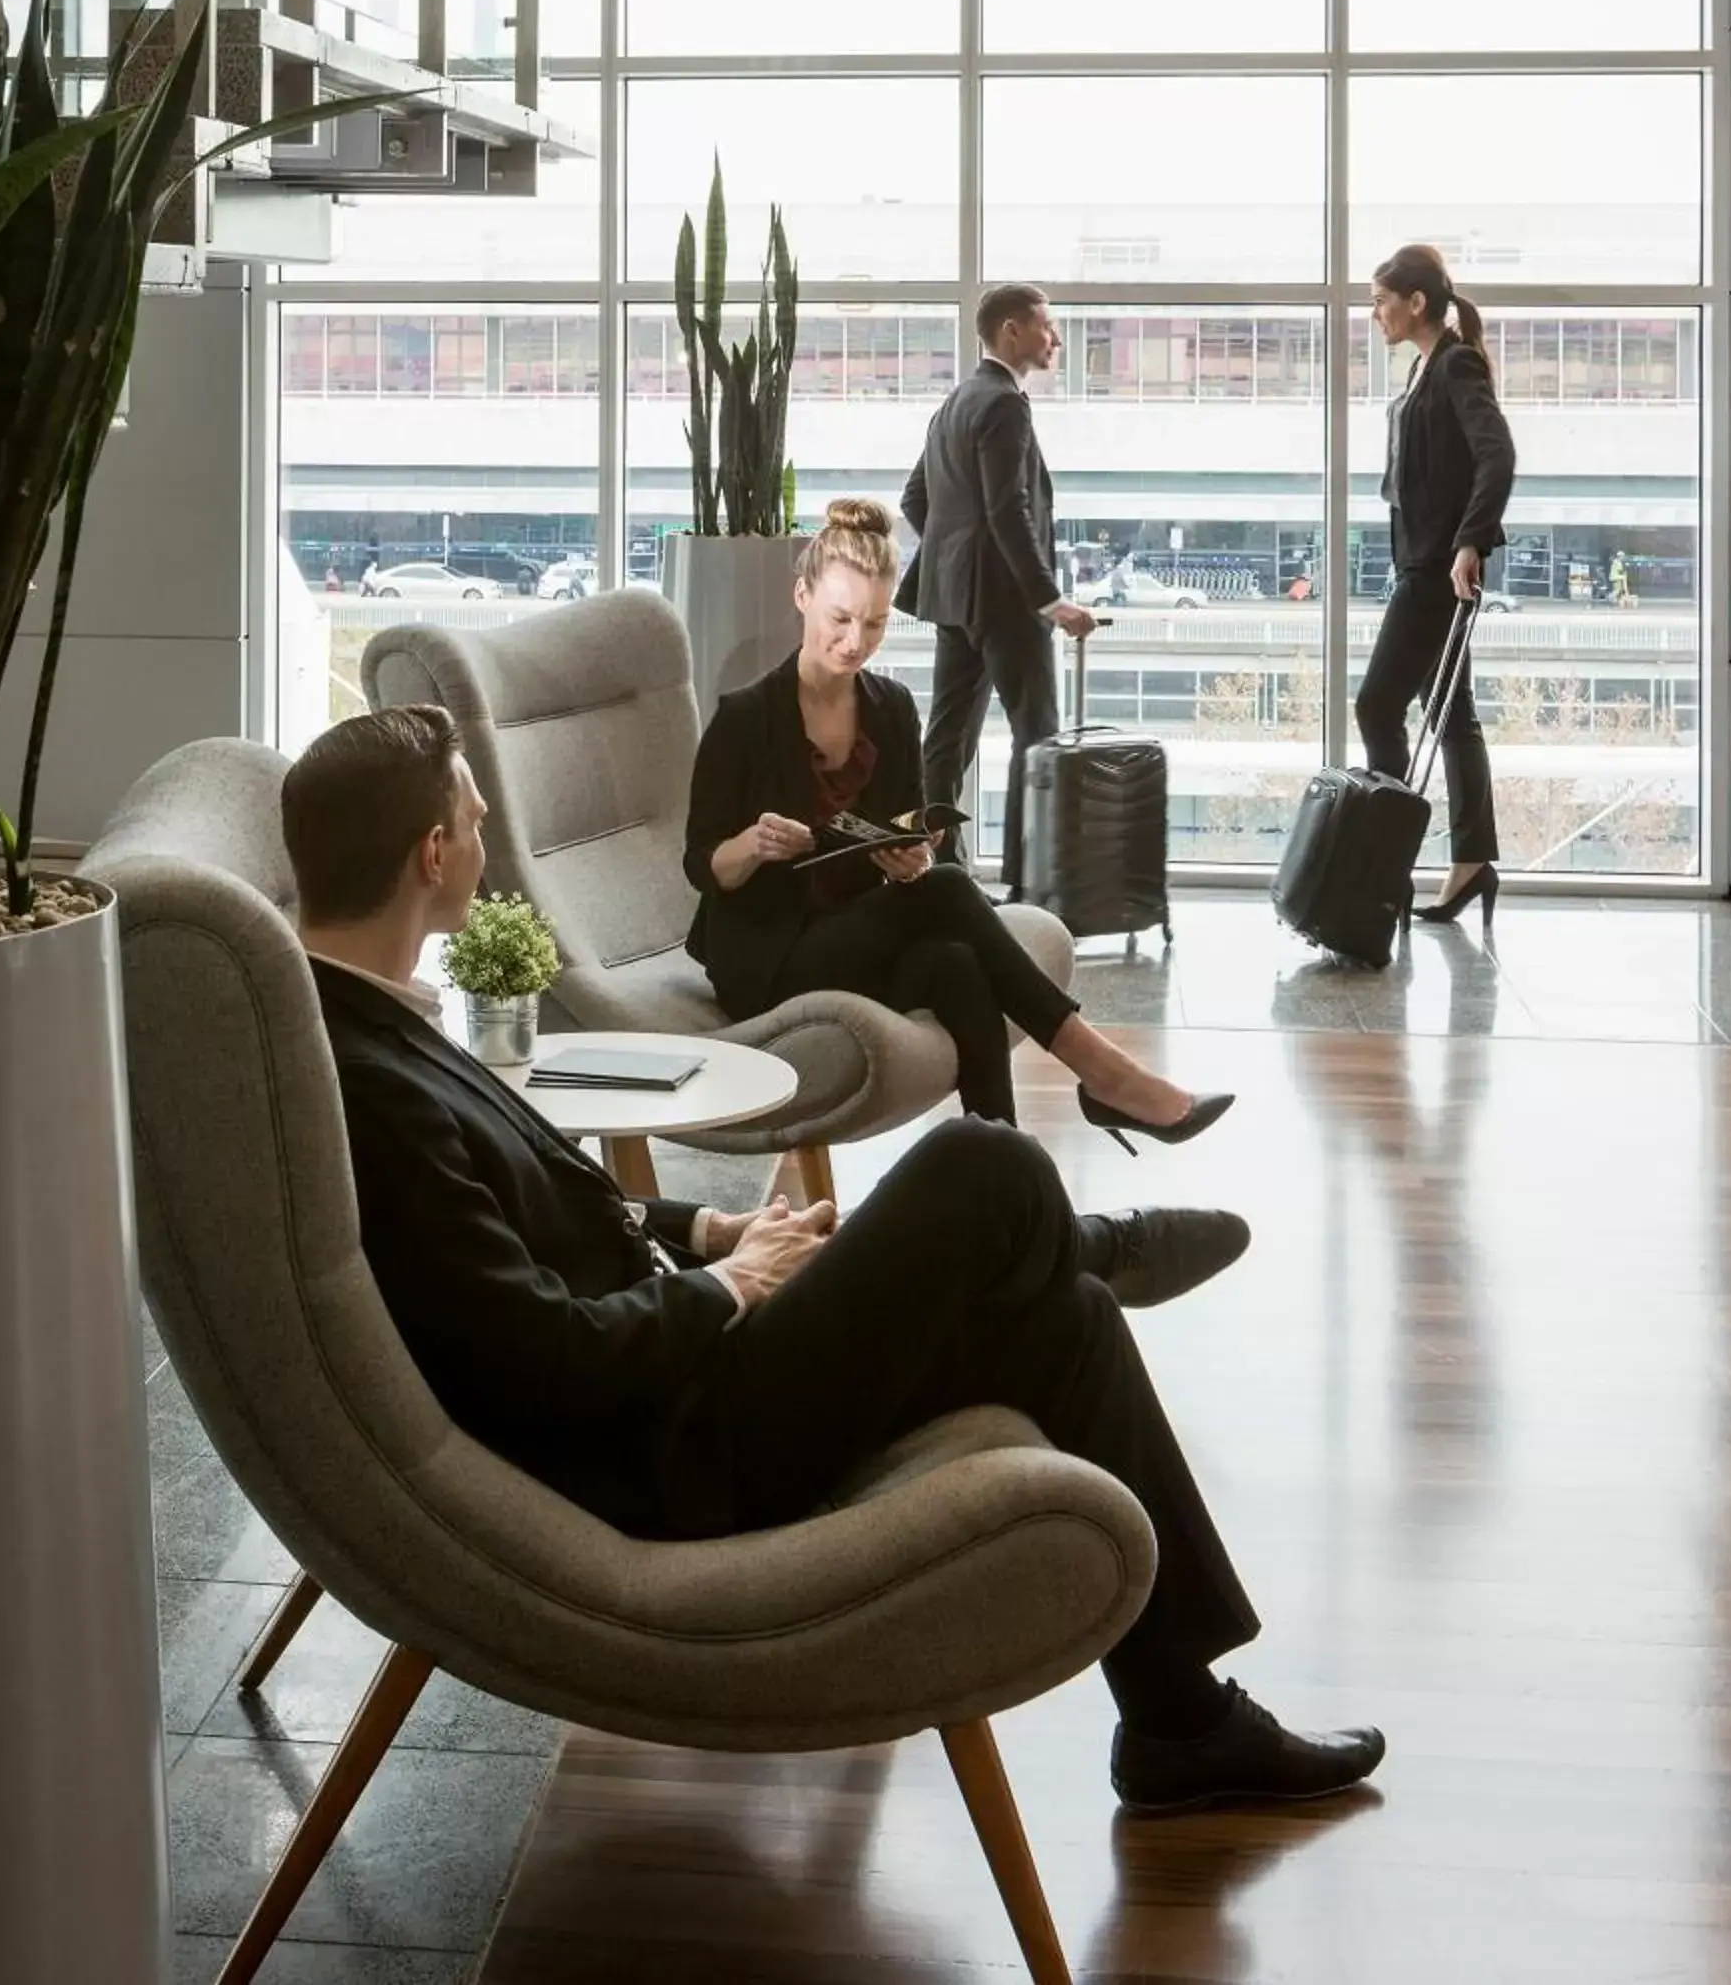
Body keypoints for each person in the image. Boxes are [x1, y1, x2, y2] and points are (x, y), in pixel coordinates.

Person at [280, 701, 1387, 1817]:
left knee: (1067, 1322)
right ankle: (1087, 1245)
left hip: (673, 1377)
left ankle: (1178, 1719)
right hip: (668, 1451)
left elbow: (536, 1227)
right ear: (431, 856)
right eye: (472, 822)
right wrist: (726, 1290)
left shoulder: (375, 1030)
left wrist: (710, 1235)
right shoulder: (372, 1084)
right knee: (977, 1167)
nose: (481, 843)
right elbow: (534, 1355)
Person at [684, 496, 1231, 1148]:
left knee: (956, 966)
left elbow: (904, 831)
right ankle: (1104, 1073)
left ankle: (1007, 1188)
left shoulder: (890, 709)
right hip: (766, 959)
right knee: (947, 890)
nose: (855, 641)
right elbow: (700, 863)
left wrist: (909, 856)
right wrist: (749, 846)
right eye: (839, 618)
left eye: (876, 624)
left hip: (850, 937)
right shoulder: (744, 718)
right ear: (801, 595)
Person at [897, 282, 1093, 907]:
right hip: (1006, 604)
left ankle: (942, 867)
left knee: (947, 739)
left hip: (955, 601)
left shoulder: (954, 403)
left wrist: (958, 558)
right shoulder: (1005, 405)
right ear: (1011, 330)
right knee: (1037, 738)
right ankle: (1028, 881)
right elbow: (1009, 510)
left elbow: (916, 501)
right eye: (1046, 325)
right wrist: (1048, 600)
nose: (1054, 338)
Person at [1357, 243, 1517, 932]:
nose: (1374, 315)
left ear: (1415, 301)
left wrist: (1470, 541)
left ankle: (1387, 867)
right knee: (1454, 718)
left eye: (1380, 301)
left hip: (1436, 572)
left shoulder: (1454, 363)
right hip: (1422, 565)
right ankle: (1473, 860)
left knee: (1375, 707)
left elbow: (1497, 452)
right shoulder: (1430, 368)